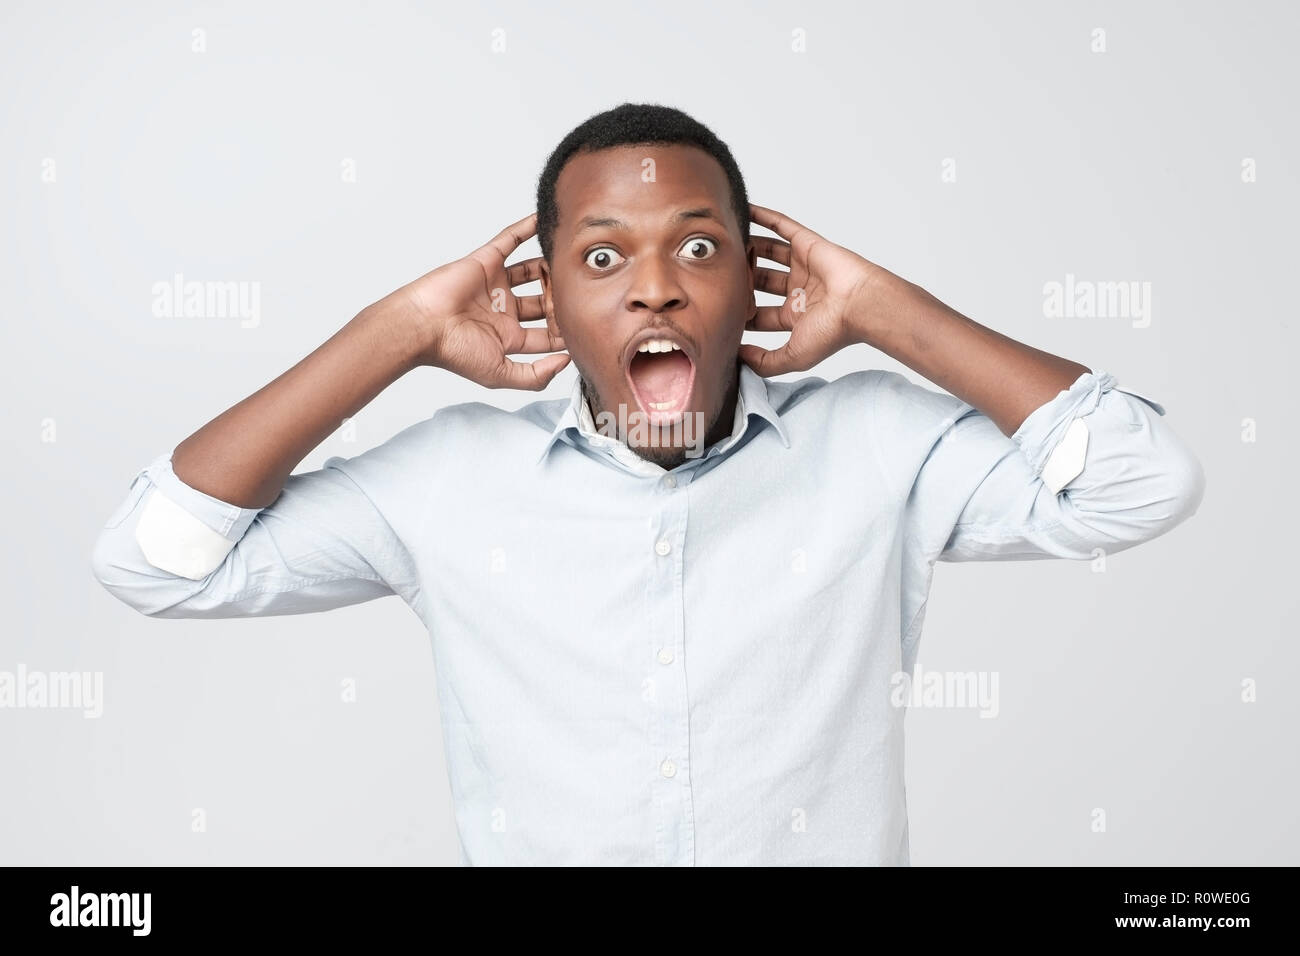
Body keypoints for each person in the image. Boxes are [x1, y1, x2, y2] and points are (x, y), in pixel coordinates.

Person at [91, 102, 1205, 865]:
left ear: (757, 279)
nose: (656, 291)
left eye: (701, 249)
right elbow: (156, 560)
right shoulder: (447, 481)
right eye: (604, 256)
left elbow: (1140, 480)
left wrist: (880, 309)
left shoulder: (880, 449)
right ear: (552, 296)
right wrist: (394, 333)